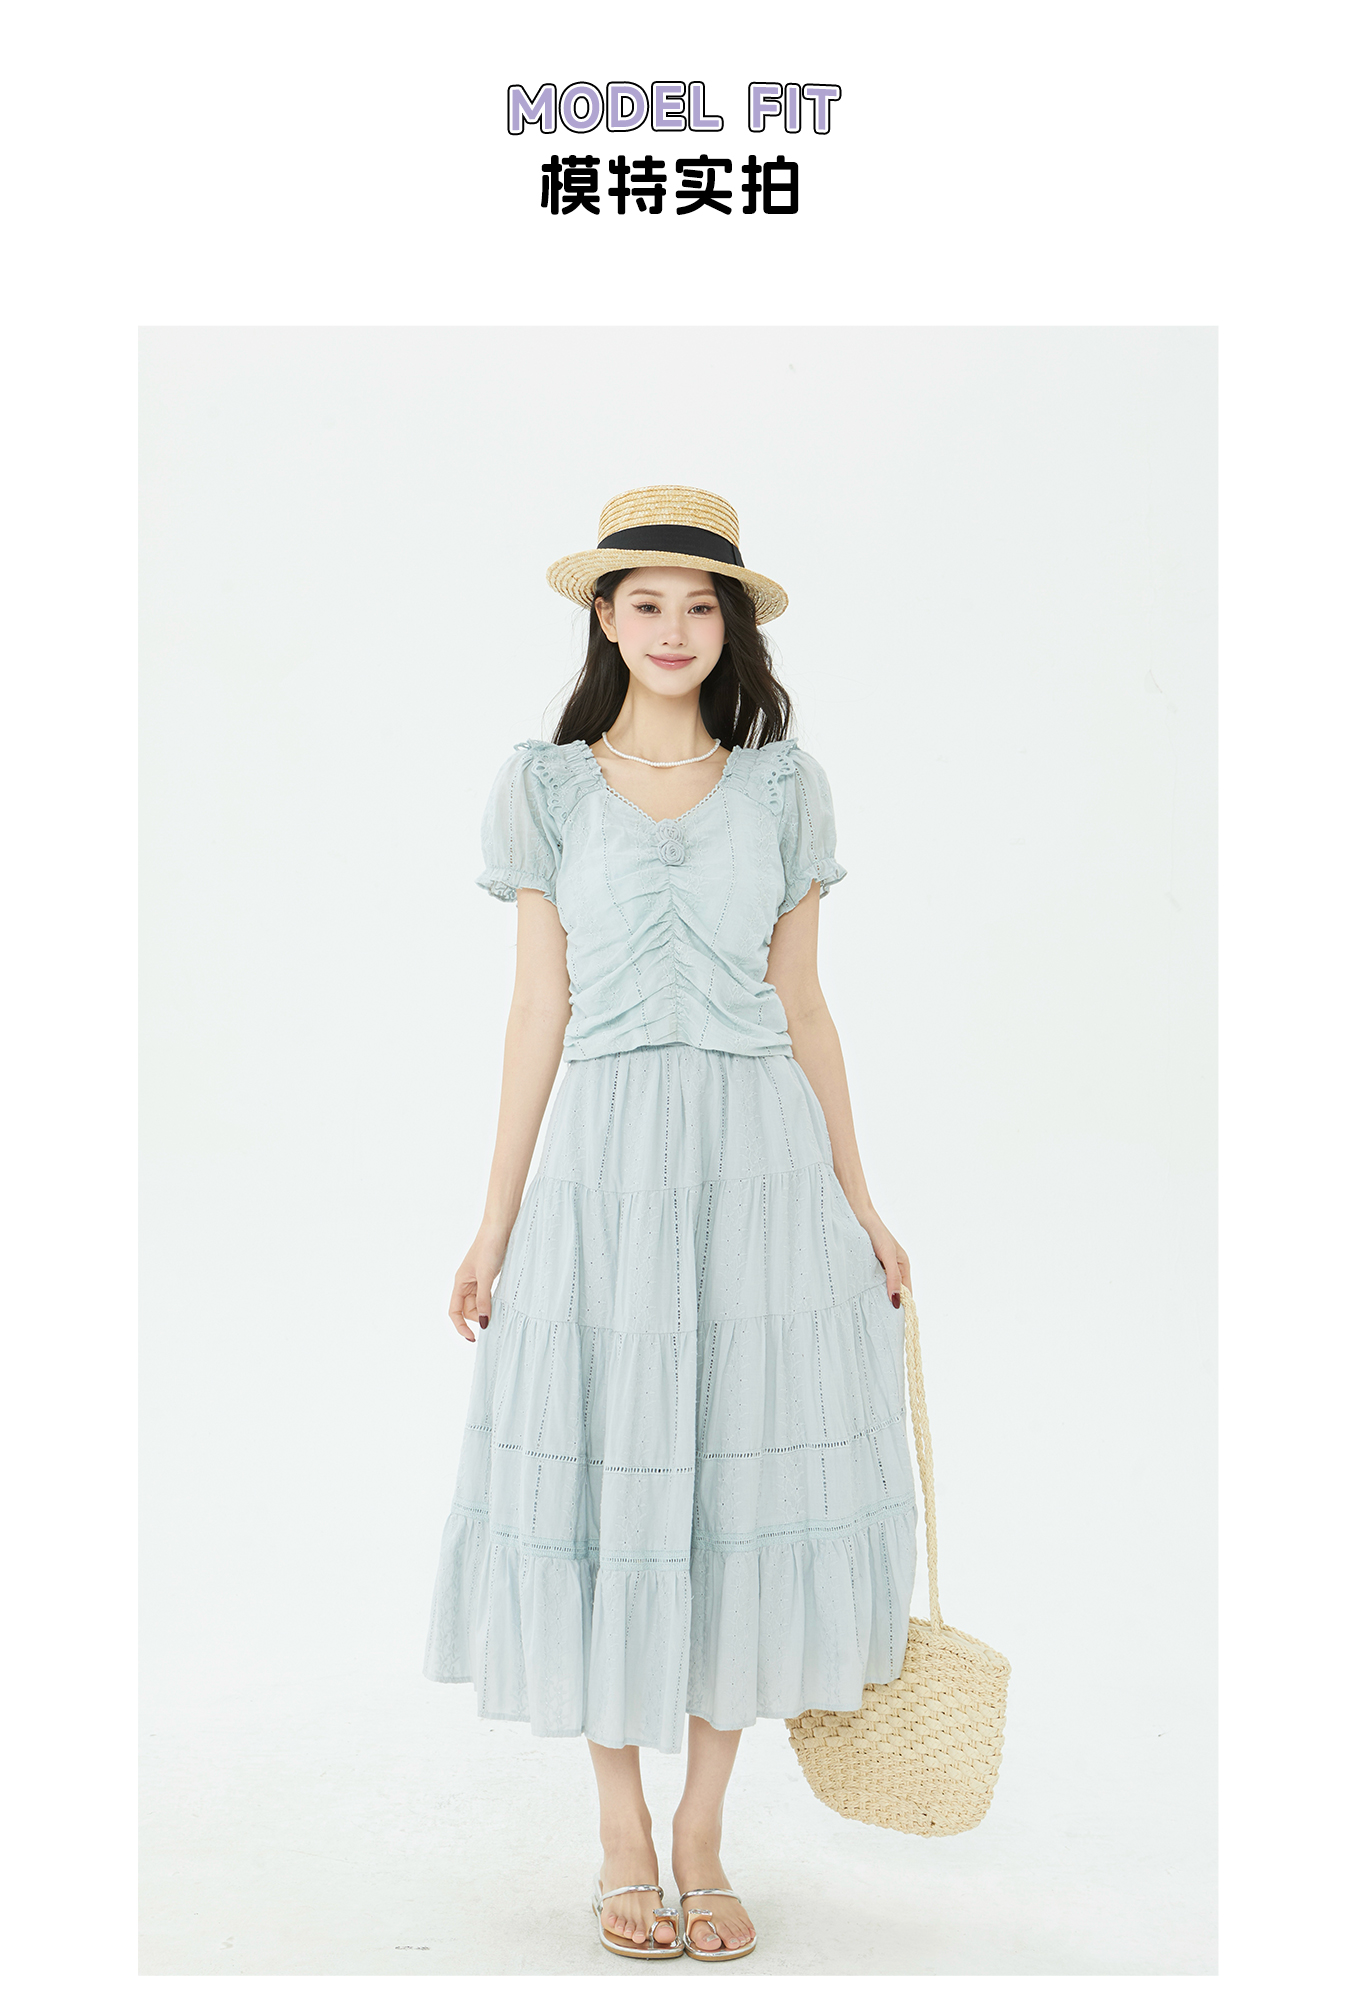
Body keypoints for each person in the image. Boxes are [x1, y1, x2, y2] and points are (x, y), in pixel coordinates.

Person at [424, 486, 918, 1961]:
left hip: (762, 1168)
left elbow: (807, 1006)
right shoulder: (545, 787)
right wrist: (493, 1223)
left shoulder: (785, 788)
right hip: (606, 1173)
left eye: (702, 607)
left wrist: (862, 1201)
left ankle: (702, 1831)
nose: (676, 630)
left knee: (731, 1492)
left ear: (732, 625)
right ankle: (621, 1835)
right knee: (610, 1479)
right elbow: (537, 1012)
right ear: (605, 616)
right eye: (647, 603)